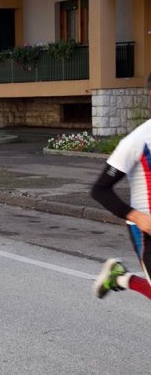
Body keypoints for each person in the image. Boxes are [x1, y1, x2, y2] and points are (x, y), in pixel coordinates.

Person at [90, 73, 151, 301]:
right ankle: (120, 278)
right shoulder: (137, 141)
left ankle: (119, 278)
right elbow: (100, 190)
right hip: (146, 230)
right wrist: (138, 217)